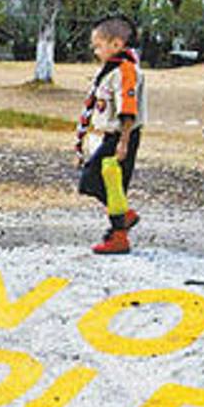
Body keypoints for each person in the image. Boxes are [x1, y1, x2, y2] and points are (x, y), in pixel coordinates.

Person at [75, 16, 145, 255]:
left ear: (116, 44)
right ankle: (120, 230)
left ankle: (121, 224)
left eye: (98, 45)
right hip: (110, 136)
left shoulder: (126, 70)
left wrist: (124, 142)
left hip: (121, 136)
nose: (95, 50)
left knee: (97, 180)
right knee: (108, 184)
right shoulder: (111, 69)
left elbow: (128, 109)